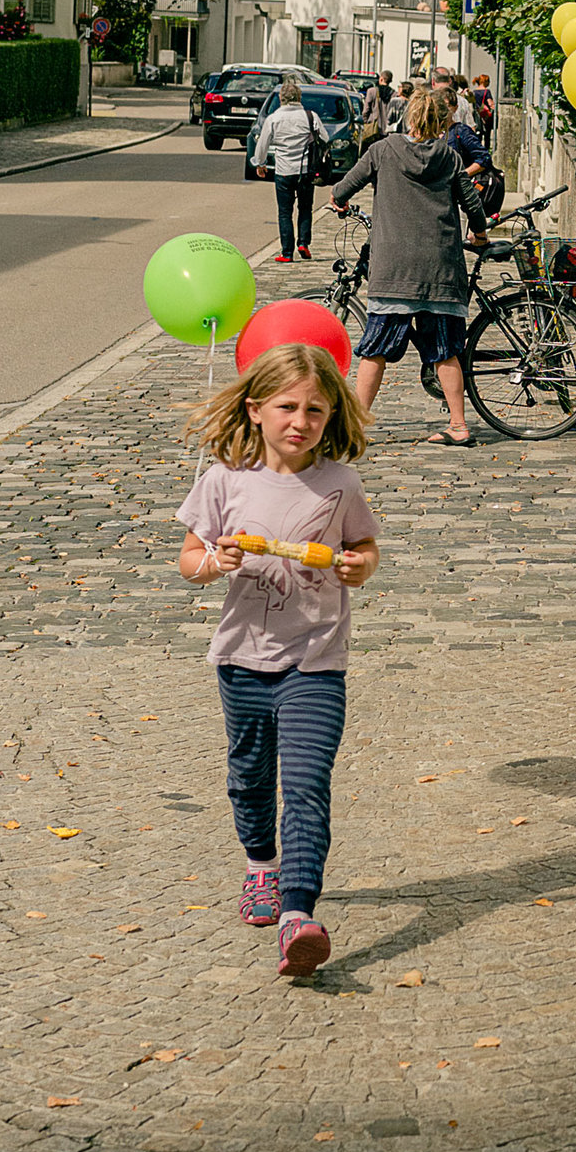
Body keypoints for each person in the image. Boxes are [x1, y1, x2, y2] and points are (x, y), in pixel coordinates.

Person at [175, 343, 379, 978]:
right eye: (287, 407)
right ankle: (260, 864)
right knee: (250, 776)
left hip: (316, 661)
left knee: (308, 783)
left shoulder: (340, 483)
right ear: (255, 409)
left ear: (332, 415)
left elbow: (365, 546)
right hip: (242, 659)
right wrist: (217, 561)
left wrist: (359, 566)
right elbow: (189, 561)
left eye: (315, 410)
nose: (301, 421)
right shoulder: (225, 479)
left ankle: (298, 913)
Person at [331, 85, 490, 447]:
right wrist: (479, 235)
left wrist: (339, 201)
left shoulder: (382, 150)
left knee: (375, 349)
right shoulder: (450, 157)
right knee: (446, 351)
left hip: (394, 271)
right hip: (440, 270)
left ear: (409, 117)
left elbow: (343, 189)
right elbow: (473, 205)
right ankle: (458, 425)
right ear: (441, 122)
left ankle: (356, 428)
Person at [250, 78, 326, 263]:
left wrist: (260, 164)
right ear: (299, 97)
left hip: (283, 170)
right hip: (305, 169)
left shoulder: (273, 119)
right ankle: (303, 243)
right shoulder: (310, 116)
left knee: (285, 212)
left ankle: (287, 252)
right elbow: (325, 137)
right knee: (305, 208)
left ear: (281, 98)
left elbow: (262, 145)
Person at [441, 85, 505, 219]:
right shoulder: (431, 134)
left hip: (460, 197)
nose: (442, 110)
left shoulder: (461, 131)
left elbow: (484, 159)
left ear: (455, 108)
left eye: (446, 106)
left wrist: (461, 175)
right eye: (439, 106)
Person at [472, 72, 496, 148]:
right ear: (485, 81)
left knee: (478, 133)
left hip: (477, 115)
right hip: (485, 115)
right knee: (487, 135)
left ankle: (478, 149)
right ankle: (486, 150)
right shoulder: (487, 91)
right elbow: (490, 103)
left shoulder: (474, 92)